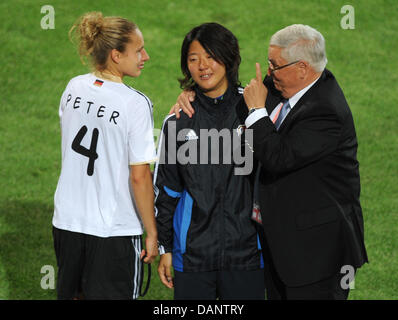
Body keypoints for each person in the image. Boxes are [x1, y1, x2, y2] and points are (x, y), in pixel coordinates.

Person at [174, 24, 368, 300]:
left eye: (274, 66)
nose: (268, 72)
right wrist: (193, 97)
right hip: (283, 248)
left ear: (302, 67)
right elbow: (236, 101)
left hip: (316, 255)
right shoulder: (286, 87)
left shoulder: (325, 111)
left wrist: (255, 111)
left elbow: (278, 156)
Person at [154, 22, 265, 300]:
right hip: (193, 257)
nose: (203, 66)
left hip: (248, 253)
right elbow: (167, 190)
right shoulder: (177, 122)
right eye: (193, 59)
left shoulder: (255, 112)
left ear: (227, 58)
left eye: (211, 57)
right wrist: (165, 248)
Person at [52, 12, 158, 300]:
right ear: (115, 55)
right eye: (138, 50)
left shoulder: (73, 87)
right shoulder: (135, 104)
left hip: (67, 222)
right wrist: (151, 232)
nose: (145, 56)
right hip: (115, 230)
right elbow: (140, 177)